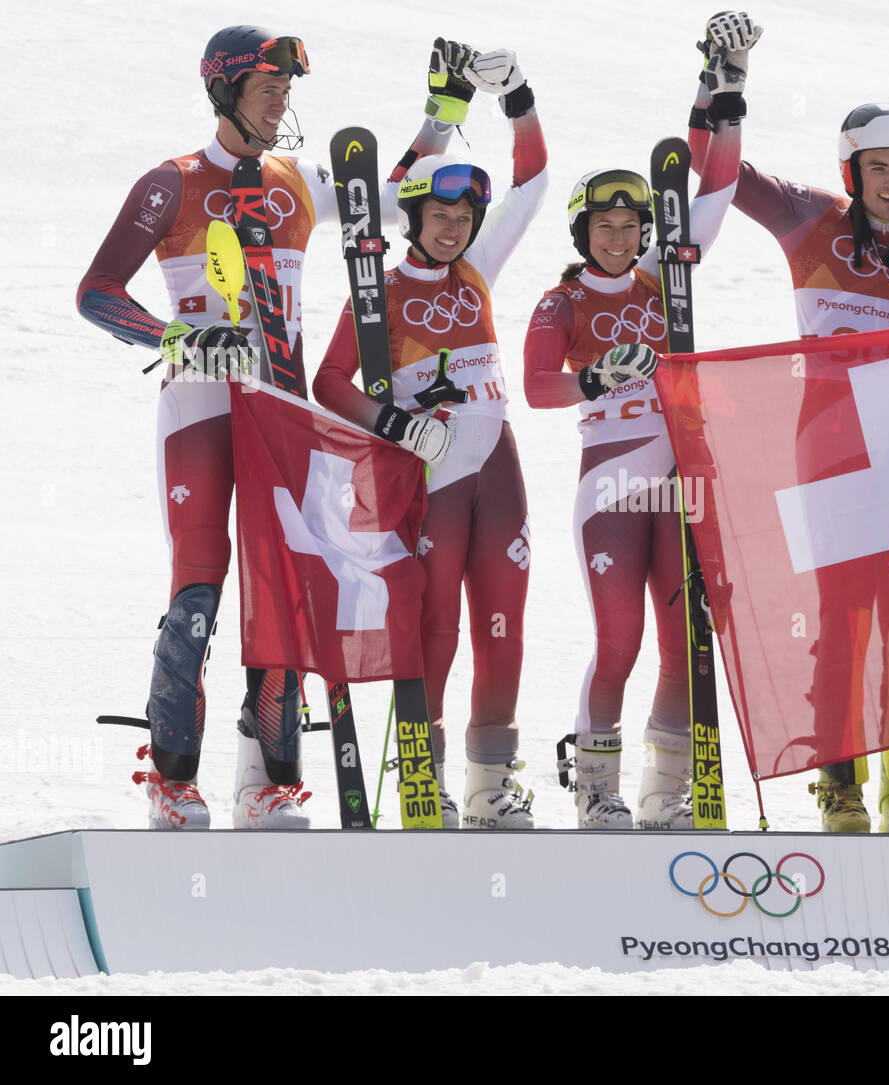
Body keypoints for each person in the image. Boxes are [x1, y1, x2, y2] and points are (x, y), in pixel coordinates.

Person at [76, 26, 464, 830]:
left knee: (284, 588)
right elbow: (97, 290)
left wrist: (444, 111)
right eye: (267, 88)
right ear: (225, 92)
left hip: (283, 413)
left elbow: (388, 193)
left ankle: (267, 779)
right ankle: (174, 781)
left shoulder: (294, 176)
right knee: (198, 589)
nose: (281, 101)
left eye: (287, 90)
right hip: (203, 406)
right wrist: (173, 336)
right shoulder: (173, 182)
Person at [686, 11, 889, 833]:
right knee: (844, 620)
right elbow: (719, 173)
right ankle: (839, 782)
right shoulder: (811, 220)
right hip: (828, 451)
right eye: (877, 167)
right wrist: (724, 84)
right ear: (852, 168)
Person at [314, 44, 546, 830]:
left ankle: (491, 782)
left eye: (463, 216)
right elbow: (330, 381)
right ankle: (425, 772)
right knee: (437, 623)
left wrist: (518, 98)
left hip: (499, 464)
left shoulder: (478, 268)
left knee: (504, 621)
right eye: (439, 215)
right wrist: (400, 426)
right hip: (435, 474)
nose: (453, 228)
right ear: (411, 219)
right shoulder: (377, 289)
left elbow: (537, 182)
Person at [521, 126, 740, 828]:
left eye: (629, 226)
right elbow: (533, 388)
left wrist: (725, 95)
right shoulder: (563, 302)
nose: (617, 238)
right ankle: (597, 794)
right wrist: (592, 377)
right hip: (611, 485)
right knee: (620, 641)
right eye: (604, 226)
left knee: (685, 644)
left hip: (679, 482)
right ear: (582, 232)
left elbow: (720, 189)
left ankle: (662, 796)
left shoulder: (661, 277)